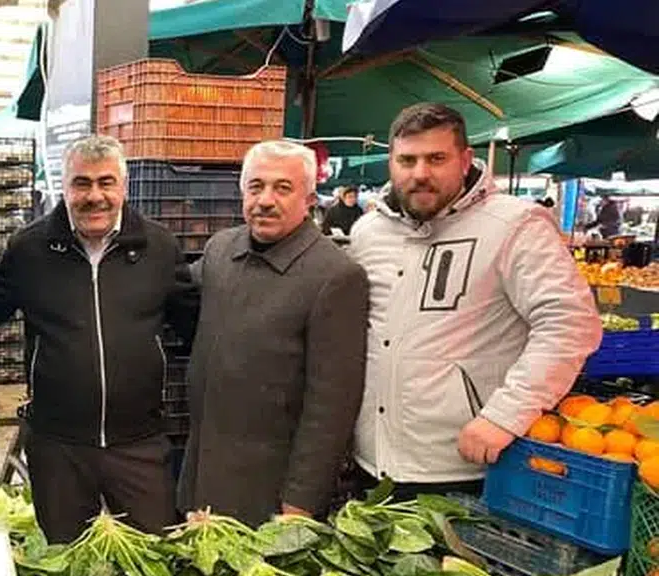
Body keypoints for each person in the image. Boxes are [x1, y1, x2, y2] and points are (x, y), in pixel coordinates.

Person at [347, 103, 601, 499]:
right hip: (372, 463)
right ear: (391, 164)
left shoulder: (515, 224)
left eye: (436, 159)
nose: (420, 173)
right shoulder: (367, 233)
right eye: (407, 160)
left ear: (465, 160)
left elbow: (570, 323)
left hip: (465, 466)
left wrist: (505, 415)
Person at [0, 134, 196, 543]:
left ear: (124, 186)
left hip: (138, 443)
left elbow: (194, 326)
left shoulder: (158, 247)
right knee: (65, 558)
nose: (94, 196)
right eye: (81, 183)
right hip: (58, 446)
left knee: (153, 554)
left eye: (105, 182)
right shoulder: (29, 249)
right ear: (64, 187)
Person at [178, 142, 367, 525]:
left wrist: (301, 501)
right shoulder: (220, 250)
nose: (265, 200)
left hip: (269, 492)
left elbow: (332, 406)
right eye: (256, 186)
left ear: (309, 199)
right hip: (202, 475)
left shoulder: (335, 276)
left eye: (282, 188)